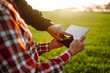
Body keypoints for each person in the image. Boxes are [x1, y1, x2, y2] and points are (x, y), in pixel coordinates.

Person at [0, 0, 86, 73]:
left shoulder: (12, 3)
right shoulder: (3, 11)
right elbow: (31, 71)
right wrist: (70, 53)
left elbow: (20, 49)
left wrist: (50, 45)